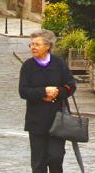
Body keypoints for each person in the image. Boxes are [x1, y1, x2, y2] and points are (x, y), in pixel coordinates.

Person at [19, 29, 76, 173]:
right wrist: (43, 91)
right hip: (36, 121)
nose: (33, 47)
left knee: (55, 158)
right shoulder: (28, 66)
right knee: (39, 163)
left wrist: (57, 92)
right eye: (31, 44)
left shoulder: (59, 63)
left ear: (48, 46)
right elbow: (23, 91)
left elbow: (70, 85)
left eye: (37, 44)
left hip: (57, 120)